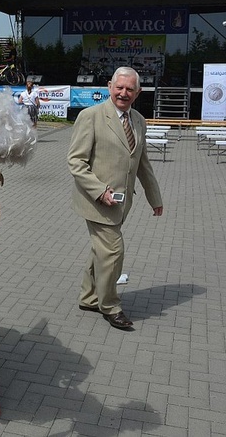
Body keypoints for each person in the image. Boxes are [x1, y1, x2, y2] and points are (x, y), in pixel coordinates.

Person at [67, 66, 163, 330]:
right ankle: (110, 306)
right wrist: (100, 191)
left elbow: (143, 164)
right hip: (97, 201)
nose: (124, 93)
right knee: (113, 252)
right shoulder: (91, 116)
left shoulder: (139, 121)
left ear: (138, 92)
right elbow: (76, 161)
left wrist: (155, 198)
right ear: (109, 86)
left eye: (130, 89)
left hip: (122, 204)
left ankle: (88, 297)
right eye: (119, 87)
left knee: (101, 250)